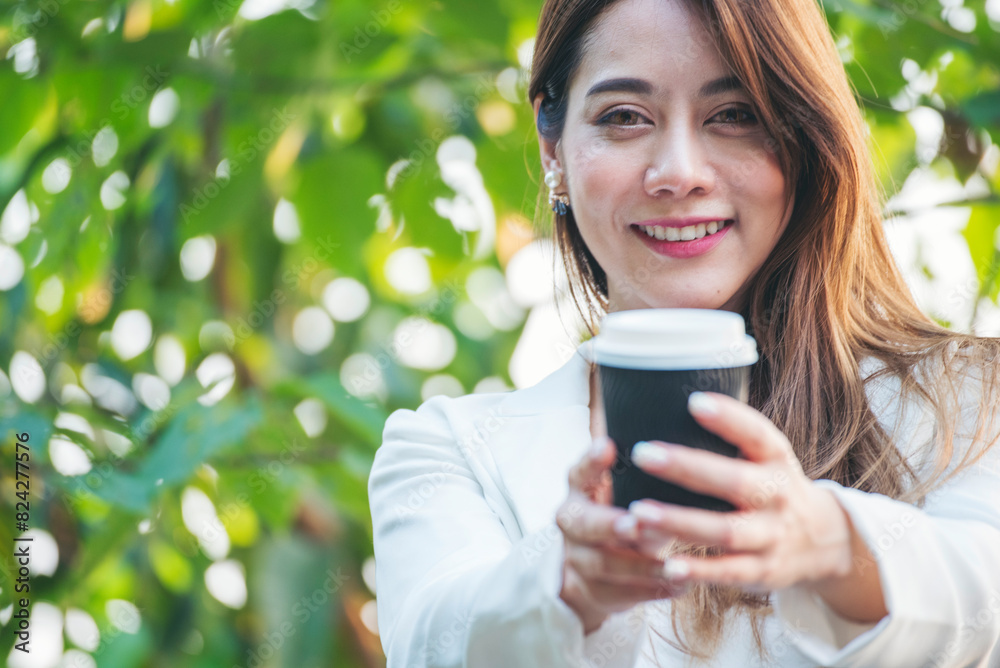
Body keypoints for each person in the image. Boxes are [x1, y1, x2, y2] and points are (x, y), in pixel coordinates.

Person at [367, 0, 1000, 665]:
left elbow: (983, 594)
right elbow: (438, 640)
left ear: (807, 136)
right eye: (624, 118)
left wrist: (833, 545)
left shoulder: (968, 401)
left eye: (734, 115)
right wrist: (565, 585)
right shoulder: (448, 451)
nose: (678, 174)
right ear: (553, 147)